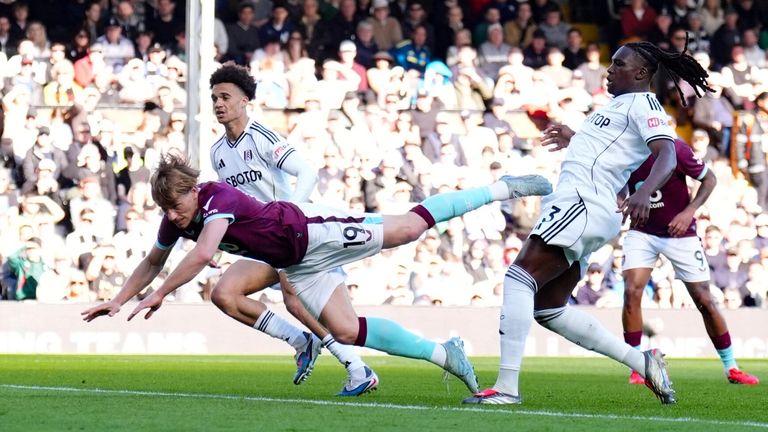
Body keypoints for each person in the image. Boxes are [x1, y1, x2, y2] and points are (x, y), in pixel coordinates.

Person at [81, 153, 553, 395]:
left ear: (191, 191)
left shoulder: (214, 198)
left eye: (178, 207)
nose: (176, 218)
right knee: (345, 329)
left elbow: (205, 254)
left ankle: (501, 187)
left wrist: (161, 294)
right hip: (293, 263)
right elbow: (151, 260)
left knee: (408, 228)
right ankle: (445, 354)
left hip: (311, 231)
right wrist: (120, 299)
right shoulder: (177, 215)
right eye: (168, 211)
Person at [463, 39, 715, 405]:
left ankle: (506, 388)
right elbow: (609, 153)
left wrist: (644, 192)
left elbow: (667, 155)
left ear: (641, 73)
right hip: (587, 207)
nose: (610, 70)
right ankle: (642, 363)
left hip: (581, 203)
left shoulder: (645, 104)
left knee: (519, 278)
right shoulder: (620, 105)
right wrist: (574, 138)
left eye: (618, 64)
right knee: (548, 308)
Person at [208, 62, 370, 396]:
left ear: (244, 101)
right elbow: (232, 208)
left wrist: (290, 211)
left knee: (298, 302)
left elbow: (307, 172)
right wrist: (216, 245)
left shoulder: (263, 136)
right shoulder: (218, 153)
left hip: (294, 233)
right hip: (262, 242)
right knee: (224, 294)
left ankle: (357, 367)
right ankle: (301, 341)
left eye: (225, 96)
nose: (219, 104)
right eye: (214, 98)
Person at [620, 138, 759, 385]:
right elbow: (617, 182)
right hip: (642, 231)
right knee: (631, 291)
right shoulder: (625, 148)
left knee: (704, 299)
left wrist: (689, 212)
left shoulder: (676, 147)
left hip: (680, 234)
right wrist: (621, 200)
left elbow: (710, 179)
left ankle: (731, 368)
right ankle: (636, 366)